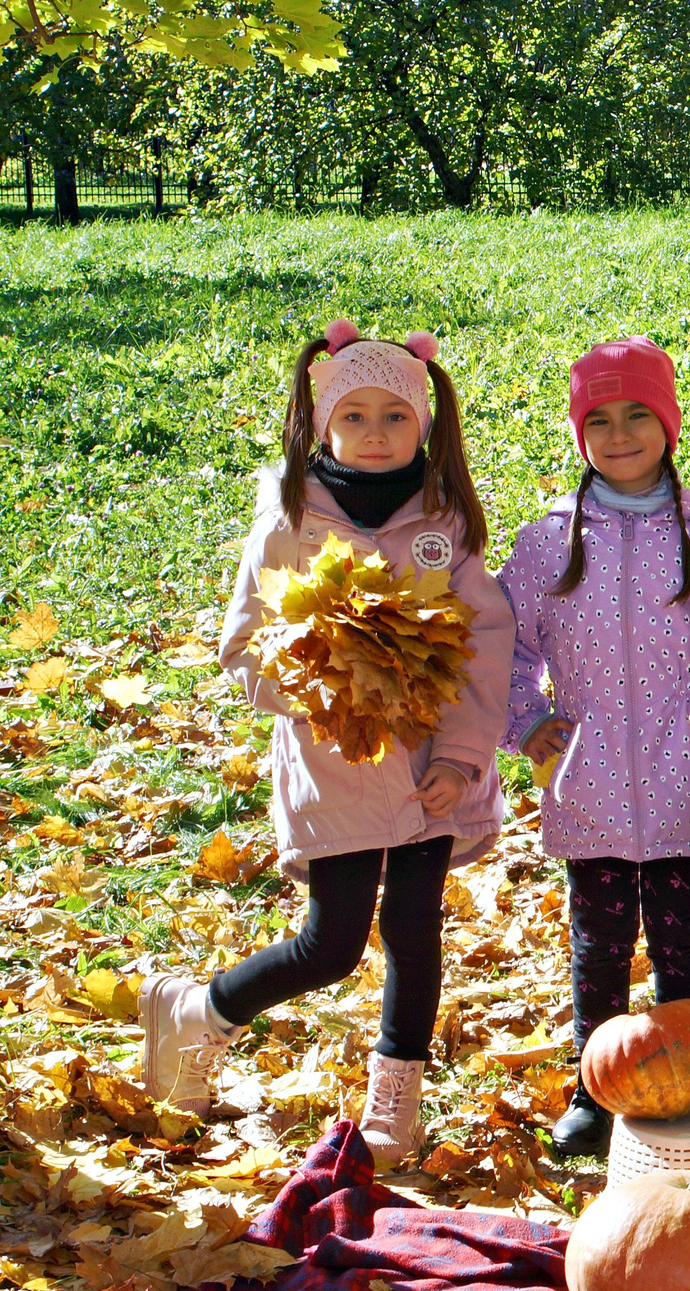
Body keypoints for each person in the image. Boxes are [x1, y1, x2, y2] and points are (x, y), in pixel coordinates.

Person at [138, 321, 512, 1165]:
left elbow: (484, 647)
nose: (375, 434)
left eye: (395, 416)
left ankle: (396, 1097)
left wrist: (461, 760)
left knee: (414, 925)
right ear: (322, 423)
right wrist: (320, 682)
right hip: (335, 765)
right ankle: (200, 1012)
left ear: (425, 424)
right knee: (333, 944)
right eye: (354, 416)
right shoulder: (290, 519)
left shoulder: (444, 521)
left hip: (430, 770)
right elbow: (243, 645)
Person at [502, 338, 690, 1159]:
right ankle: (596, 1090)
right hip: (589, 786)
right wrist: (527, 722)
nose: (619, 435)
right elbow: (507, 646)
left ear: (669, 425)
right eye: (600, 420)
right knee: (599, 943)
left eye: (638, 415)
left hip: (684, 781)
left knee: (682, 942)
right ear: (579, 431)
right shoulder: (548, 544)